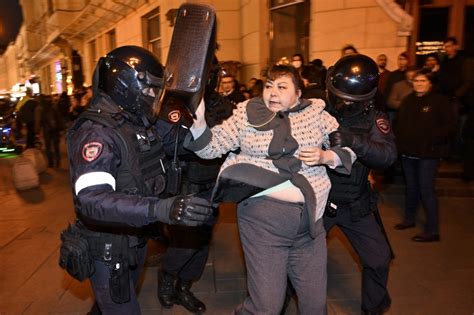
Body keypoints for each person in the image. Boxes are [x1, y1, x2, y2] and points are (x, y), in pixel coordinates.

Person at [184, 64, 354, 314]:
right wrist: (198, 126)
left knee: (315, 306)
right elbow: (212, 147)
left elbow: (347, 150)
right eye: (269, 85)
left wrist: (326, 156)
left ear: (298, 93)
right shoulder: (245, 113)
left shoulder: (317, 113)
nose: (272, 92)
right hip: (262, 221)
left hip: (311, 223)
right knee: (266, 307)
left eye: (282, 87)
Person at [62, 45, 214, 315]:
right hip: (109, 250)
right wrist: (160, 209)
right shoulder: (96, 133)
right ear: (124, 87)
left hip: (134, 237)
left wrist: (202, 125)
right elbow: (91, 200)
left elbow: (181, 144)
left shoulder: (137, 120)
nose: (154, 97)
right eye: (149, 91)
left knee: (109, 306)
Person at [156, 59, 234, 314]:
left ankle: (184, 287)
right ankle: (167, 278)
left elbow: (232, 139)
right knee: (185, 240)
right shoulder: (174, 104)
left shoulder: (220, 105)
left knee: (202, 241)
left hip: (212, 182)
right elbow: (171, 144)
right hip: (187, 183)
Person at [324, 54, 397, 315]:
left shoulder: (375, 120)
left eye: (349, 101)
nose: (341, 104)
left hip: (356, 204)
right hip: (320, 201)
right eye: (338, 97)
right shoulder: (318, 110)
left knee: (379, 259)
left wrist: (354, 141)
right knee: (296, 259)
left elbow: (387, 157)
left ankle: (374, 307)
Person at [393, 68, 458, 242]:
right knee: (411, 189)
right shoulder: (407, 101)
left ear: (430, 83)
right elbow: (399, 125)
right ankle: (409, 219)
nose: (419, 84)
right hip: (408, 154)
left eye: (423, 81)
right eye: (416, 81)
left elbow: (450, 126)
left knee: (426, 190)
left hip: (428, 155)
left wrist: (430, 140)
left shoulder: (439, 101)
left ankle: (432, 230)